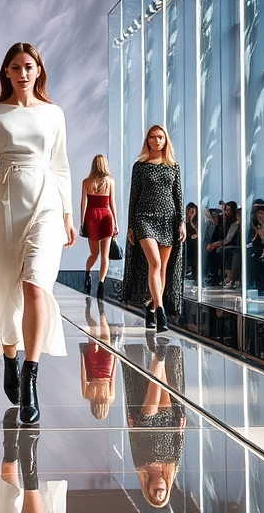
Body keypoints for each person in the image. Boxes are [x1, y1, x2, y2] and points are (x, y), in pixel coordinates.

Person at [0, 42, 75, 426]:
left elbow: (60, 167)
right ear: (6, 72)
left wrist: (67, 212)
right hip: (4, 203)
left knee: (35, 285)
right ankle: (9, 357)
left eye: (29, 66)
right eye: (16, 67)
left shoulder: (54, 113)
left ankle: (30, 374)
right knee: (7, 286)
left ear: (39, 70)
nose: (23, 72)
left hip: (45, 200)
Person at [121, 125, 185, 332]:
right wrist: (131, 225)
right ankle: (161, 312)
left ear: (165, 140)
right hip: (144, 218)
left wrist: (182, 221)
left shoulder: (173, 166)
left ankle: (151, 306)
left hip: (168, 219)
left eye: (159, 137)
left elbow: (178, 196)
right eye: (152, 137)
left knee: (163, 268)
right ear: (147, 140)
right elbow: (134, 197)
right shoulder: (139, 166)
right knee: (155, 263)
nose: (156, 141)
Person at [123, 340, 185, 508]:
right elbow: (178, 448)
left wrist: (131, 427)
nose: (159, 491)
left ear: (148, 489)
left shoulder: (141, 468)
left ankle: (160, 354)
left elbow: (134, 445)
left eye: (155, 493)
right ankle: (160, 355)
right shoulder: (171, 468)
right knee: (163, 385)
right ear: (166, 488)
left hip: (146, 427)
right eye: (162, 493)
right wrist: (180, 429)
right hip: (167, 428)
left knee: (154, 388)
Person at [79, 154, 118, 297]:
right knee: (105, 256)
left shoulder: (86, 182)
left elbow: (83, 202)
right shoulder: (110, 181)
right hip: (106, 216)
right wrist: (116, 224)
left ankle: (87, 275)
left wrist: (82, 221)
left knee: (93, 254)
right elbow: (112, 203)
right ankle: (101, 284)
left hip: (92, 216)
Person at [80, 296, 116, 419]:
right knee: (92, 330)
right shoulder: (87, 395)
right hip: (91, 367)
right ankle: (88, 308)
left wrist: (116, 358)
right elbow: (83, 376)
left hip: (106, 368)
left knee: (105, 336)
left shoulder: (110, 397)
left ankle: (102, 313)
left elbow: (113, 377)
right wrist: (82, 356)